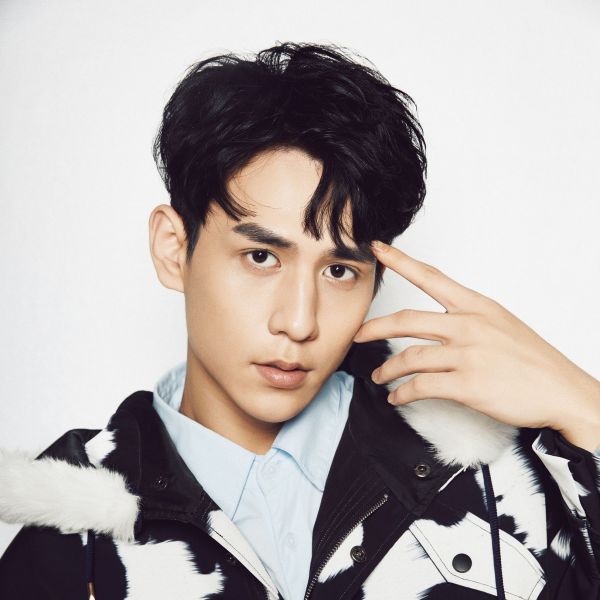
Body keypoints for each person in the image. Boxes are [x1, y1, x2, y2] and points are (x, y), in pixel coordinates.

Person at [0, 41, 599, 600]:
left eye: (339, 270)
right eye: (261, 257)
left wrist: (585, 408)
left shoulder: (491, 469)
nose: (299, 321)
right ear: (173, 249)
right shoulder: (71, 522)